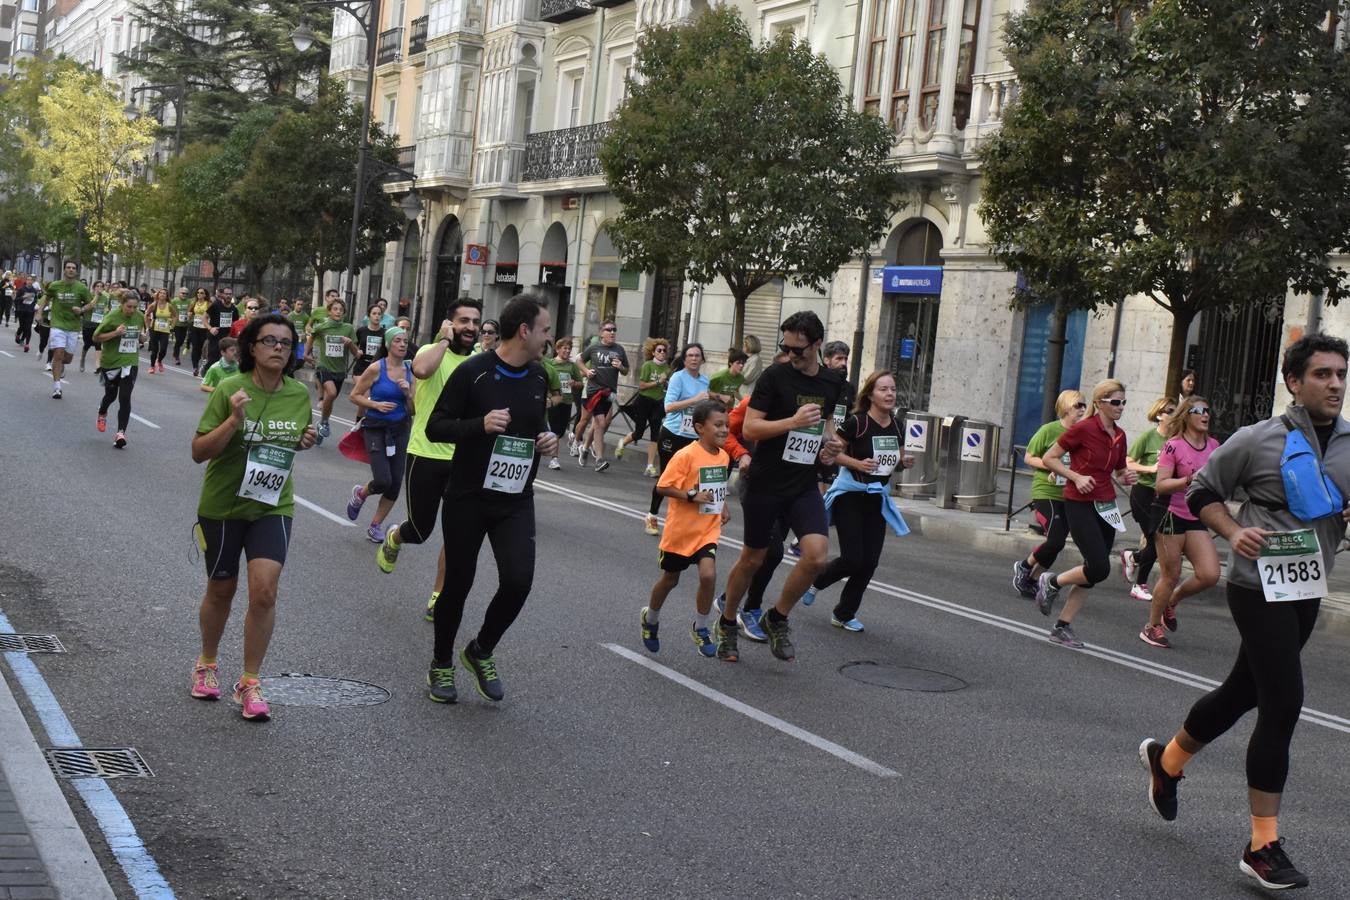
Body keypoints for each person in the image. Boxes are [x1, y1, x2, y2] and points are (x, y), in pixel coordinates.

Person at [1140, 334, 1350, 891]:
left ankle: (1168, 761)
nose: (1334, 384)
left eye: (1340, 375)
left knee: (1242, 692)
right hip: (1257, 584)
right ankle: (1262, 846)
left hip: (1306, 585)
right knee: (1284, 701)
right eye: (1323, 374)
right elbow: (1204, 492)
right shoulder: (1259, 440)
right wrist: (1234, 530)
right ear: (1294, 383)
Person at [420, 294, 557, 704]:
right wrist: (479, 425)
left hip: (515, 498)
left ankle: (480, 650)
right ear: (525, 331)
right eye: (546, 330)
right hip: (468, 496)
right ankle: (441, 664)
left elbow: (537, 423)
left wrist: (547, 439)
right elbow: (435, 428)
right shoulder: (473, 373)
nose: (550, 337)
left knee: (519, 582)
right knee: (458, 585)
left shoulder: (538, 376)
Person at [189, 313, 317, 722]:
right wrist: (233, 421)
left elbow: (288, 444)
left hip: (272, 505)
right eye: (269, 341)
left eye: (286, 342)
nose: (279, 347)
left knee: (264, 591)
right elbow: (199, 451)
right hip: (224, 506)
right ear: (252, 348)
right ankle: (207, 662)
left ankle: (250, 680)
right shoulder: (229, 388)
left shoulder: (299, 394)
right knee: (221, 589)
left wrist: (303, 440)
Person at [712, 310, 845, 662]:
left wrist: (831, 445)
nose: (791, 355)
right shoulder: (775, 376)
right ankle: (726, 624)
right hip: (765, 483)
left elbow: (826, 423)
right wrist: (792, 421)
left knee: (816, 556)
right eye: (785, 347)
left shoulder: (832, 383)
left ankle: (777, 617)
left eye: (798, 349)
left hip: (802, 484)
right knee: (754, 557)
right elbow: (751, 429)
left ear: (817, 345)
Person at [376, 298, 481, 625]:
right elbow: (420, 371)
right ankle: (396, 536)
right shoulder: (429, 353)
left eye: (475, 321)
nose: (471, 327)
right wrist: (444, 340)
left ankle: (439, 596)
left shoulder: (479, 361)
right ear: (449, 323)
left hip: (463, 457)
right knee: (421, 530)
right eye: (463, 320)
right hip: (425, 453)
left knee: (457, 534)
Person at [801, 371, 914, 631]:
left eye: (893, 389)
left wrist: (903, 462)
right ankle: (816, 581)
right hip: (850, 495)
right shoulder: (857, 423)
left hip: (877, 498)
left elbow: (894, 461)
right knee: (853, 558)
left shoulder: (897, 425)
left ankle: (843, 613)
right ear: (870, 394)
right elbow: (832, 453)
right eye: (883, 389)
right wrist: (857, 463)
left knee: (869, 562)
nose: (889, 394)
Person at [1036, 379, 1138, 647]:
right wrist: (1076, 476)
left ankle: (1062, 627)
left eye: (1124, 402)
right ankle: (1052, 581)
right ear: (1100, 403)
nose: (1121, 407)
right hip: (1078, 502)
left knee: (1093, 571)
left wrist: (1126, 475)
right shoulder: (1083, 429)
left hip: (1106, 505)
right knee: (1100, 567)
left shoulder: (1120, 435)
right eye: (1115, 402)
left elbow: (1117, 470)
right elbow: (1049, 458)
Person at [641, 399, 731, 657]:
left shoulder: (724, 456)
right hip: (681, 531)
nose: (724, 430)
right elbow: (662, 487)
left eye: (726, 424)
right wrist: (692, 495)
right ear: (700, 427)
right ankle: (651, 618)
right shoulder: (686, 455)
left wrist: (722, 505)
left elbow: (715, 489)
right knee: (670, 580)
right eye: (718, 425)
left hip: (707, 529)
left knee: (708, 575)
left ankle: (701, 628)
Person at [1138, 397, 1221, 648]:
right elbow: (1161, 485)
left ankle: (1172, 601)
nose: (1205, 414)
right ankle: (1151, 628)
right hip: (1169, 515)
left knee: (1210, 574)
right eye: (1199, 411)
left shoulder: (1214, 445)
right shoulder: (1173, 446)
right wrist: (1189, 479)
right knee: (1170, 574)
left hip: (1196, 515)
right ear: (1186, 415)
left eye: (1208, 410)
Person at [1012, 391, 1087, 598]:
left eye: (1084, 405)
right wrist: (1051, 467)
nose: (1082, 409)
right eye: (1078, 405)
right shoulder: (1049, 430)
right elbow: (1028, 456)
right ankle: (1025, 566)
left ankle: (1032, 580)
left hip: (1072, 495)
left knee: (1058, 541)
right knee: (1055, 540)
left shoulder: (1084, 433)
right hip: (1046, 492)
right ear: (1065, 407)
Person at [345, 327, 415, 543]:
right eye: (398, 341)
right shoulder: (376, 368)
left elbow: (413, 409)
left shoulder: (411, 370)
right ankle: (361, 494)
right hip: (375, 428)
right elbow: (354, 396)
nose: (403, 344)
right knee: (383, 480)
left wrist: (407, 394)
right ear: (388, 344)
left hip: (400, 430)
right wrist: (374, 403)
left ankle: (375, 525)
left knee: (395, 485)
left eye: (405, 341)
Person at [645, 343, 708, 535]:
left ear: (702, 359)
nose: (694, 359)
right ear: (684, 359)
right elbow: (668, 407)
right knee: (667, 479)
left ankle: (683, 521)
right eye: (690, 355)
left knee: (690, 480)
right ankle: (652, 515)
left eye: (697, 355)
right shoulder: (678, 378)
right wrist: (694, 400)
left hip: (693, 435)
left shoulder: (705, 381)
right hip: (673, 433)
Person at [1120, 398, 1177, 602]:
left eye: (1175, 410)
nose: (1173, 414)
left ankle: (1133, 558)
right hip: (1143, 493)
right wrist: (1150, 469)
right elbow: (1128, 462)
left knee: (1158, 541)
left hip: (1164, 496)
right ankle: (1139, 584)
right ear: (1159, 415)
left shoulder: (1176, 440)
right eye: (1169, 411)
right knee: (1156, 540)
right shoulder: (1148, 437)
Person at [91, 290, 146, 448]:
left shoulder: (139, 317)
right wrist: (115, 333)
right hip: (111, 362)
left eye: (135, 307)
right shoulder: (112, 317)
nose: (132, 310)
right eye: (129, 307)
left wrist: (143, 338)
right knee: (111, 395)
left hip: (130, 361)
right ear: (122, 304)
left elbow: (141, 335)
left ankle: (120, 433)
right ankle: (102, 411)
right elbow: (96, 337)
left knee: (125, 397)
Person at [574, 320, 629, 472]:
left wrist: (621, 367)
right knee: (600, 422)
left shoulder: (619, 350)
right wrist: (586, 371)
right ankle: (599, 459)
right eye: (609, 330)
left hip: (609, 392)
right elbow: (579, 360)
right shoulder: (594, 347)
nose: (612, 332)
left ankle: (584, 448)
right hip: (594, 391)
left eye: (614, 330)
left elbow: (626, 371)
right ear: (601, 333)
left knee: (600, 424)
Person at [306, 298, 357, 445]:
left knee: (331, 398)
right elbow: (311, 337)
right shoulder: (322, 326)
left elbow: (356, 352)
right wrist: (306, 353)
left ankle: (323, 422)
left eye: (341, 310)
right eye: (335, 309)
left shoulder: (348, 328)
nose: (338, 312)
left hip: (340, 370)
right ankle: (324, 420)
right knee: (332, 393)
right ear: (329, 311)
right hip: (324, 366)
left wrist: (350, 343)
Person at [39, 260, 93, 399]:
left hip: (73, 327)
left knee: (67, 359)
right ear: (64, 270)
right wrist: (39, 312)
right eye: (68, 267)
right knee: (58, 353)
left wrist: (81, 310)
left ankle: (60, 365)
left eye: (73, 268)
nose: (70, 269)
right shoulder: (55, 285)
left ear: (76, 271)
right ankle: (57, 387)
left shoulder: (81, 288)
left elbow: (91, 304)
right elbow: (46, 298)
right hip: (57, 324)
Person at [617, 338, 671, 476]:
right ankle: (623, 441)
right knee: (639, 433)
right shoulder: (648, 365)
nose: (662, 353)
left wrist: (665, 384)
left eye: (664, 351)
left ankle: (650, 466)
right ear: (653, 352)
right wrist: (658, 381)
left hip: (658, 402)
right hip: (644, 401)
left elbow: (665, 385)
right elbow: (642, 386)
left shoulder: (667, 368)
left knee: (655, 434)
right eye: (659, 350)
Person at [542, 337, 580, 470]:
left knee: (561, 430)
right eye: (565, 348)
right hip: (553, 401)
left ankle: (546, 444)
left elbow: (580, 383)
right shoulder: (550, 364)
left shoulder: (572, 366)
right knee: (555, 430)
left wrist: (574, 383)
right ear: (558, 349)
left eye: (569, 348)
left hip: (567, 401)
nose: (567, 351)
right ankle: (554, 459)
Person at [79, 282, 111, 373]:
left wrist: (106, 312)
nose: (99, 288)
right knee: (87, 344)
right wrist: (96, 296)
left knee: (98, 344)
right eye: (97, 286)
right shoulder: (89, 296)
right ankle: (82, 359)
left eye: (101, 286)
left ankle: (98, 366)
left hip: (99, 324)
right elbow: (91, 306)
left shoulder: (105, 298)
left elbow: (107, 309)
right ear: (93, 288)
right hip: (88, 323)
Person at [145, 289, 175, 374]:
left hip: (165, 330)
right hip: (154, 329)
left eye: (164, 293)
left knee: (163, 349)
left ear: (167, 296)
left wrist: (172, 326)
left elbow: (175, 316)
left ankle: (159, 361)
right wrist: (147, 326)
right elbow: (146, 315)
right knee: (154, 350)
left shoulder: (169, 306)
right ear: (158, 295)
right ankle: (152, 366)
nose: (162, 294)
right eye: (161, 293)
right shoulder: (154, 305)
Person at [204, 289, 236, 370]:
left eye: (230, 294)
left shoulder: (234, 309)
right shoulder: (215, 305)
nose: (228, 296)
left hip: (227, 338)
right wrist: (210, 328)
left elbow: (236, 323)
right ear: (222, 295)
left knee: (225, 360)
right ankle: (206, 369)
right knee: (213, 360)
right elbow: (204, 318)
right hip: (215, 336)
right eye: (226, 294)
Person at [353, 305, 385, 377]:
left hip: (378, 367)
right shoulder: (361, 330)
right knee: (363, 388)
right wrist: (357, 351)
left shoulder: (385, 333)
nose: (377, 316)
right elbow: (354, 344)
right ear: (368, 316)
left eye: (379, 314)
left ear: (382, 316)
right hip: (362, 366)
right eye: (374, 313)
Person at [13, 276, 37, 352]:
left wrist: (35, 308)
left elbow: (35, 301)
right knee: (22, 326)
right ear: (26, 281)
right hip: (22, 310)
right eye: (28, 280)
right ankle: (18, 334)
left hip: (30, 311)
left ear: (33, 282)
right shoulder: (21, 289)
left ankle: (27, 345)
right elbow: (16, 300)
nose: (30, 281)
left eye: (31, 280)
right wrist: (23, 297)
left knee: (28, 327)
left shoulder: (34, 291)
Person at [171, 287, 192, 365]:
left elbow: (191, 310)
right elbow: (170, 310)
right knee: (178, 340)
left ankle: (175, 350)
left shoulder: (189, 301)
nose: (184, 295)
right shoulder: (174, 301)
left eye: (186, 293)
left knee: (181, 341)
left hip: (185, 324)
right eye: (183, 293)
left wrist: (189, 315)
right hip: (177, 324)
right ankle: (177, 357)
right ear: (179, 293)